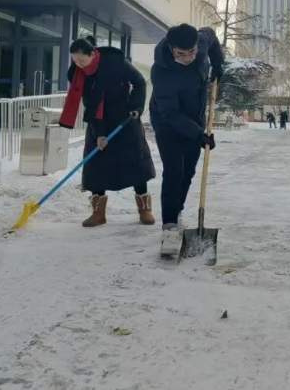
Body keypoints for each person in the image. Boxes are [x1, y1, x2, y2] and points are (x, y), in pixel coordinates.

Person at [59, 37, 155, 227]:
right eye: (75, 61)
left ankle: (144, 209)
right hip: (98, 120)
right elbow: (90, 104)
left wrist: (136, 106)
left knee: (134, 163)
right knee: (97, 166)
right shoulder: (78, 74)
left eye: (82, 60)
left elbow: (139, 82)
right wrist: (100, 134)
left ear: (92, 54)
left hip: (125, 118)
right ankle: (98, 213)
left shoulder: (116, 62)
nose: (79, 65)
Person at [149, 24, 224, 257]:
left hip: (195, 117)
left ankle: (177, 210)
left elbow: (211, 36)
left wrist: (219, 64)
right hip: (167, 122)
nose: (187, 58)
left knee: (189, 170)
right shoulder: (162, 72)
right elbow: (170, 113)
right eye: (180, 54)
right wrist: (197, 134)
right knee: (174, 171)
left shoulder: (200, 42)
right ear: (171, 49)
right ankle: (169, 228)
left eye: (191, 52)